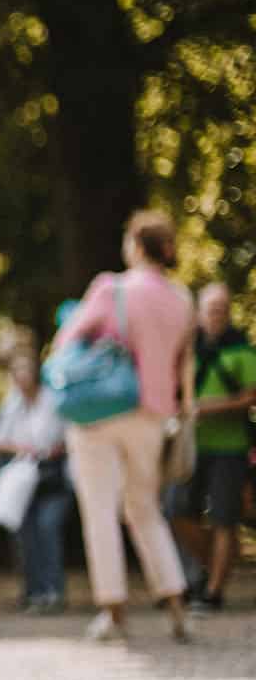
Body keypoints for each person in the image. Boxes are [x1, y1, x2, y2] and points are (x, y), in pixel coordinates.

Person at [54, 210, 195, 642]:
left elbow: (65, 344)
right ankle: (175, 603)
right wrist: (183, 409)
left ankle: (113, 610)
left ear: (135, 246)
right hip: (153, 414)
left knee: (99, 508)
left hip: (100, 410)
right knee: (145, 509)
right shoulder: (182, 299)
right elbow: (184, 364)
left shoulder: (110, 287)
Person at [167, 283, 256, 612]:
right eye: (210, 308)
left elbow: (251, 396)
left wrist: (208, 408)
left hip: (230, 446)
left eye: (222, 308)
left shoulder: (242, 351)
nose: (216, 314)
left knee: (224, 518)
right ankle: (214, 566)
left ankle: (214, 590)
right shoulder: (188, 352)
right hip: (189, 446)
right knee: (176, 510)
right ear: (199, 313)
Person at [0, 353, 71, 613]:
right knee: (25, 533)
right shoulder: (11, 403)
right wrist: (21, 448)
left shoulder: (53, 401)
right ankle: (34, 591)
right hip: (22, 477)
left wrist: (50, 451)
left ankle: (54, 590)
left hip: (52, 477)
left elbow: (68, 436)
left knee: (47, 527)